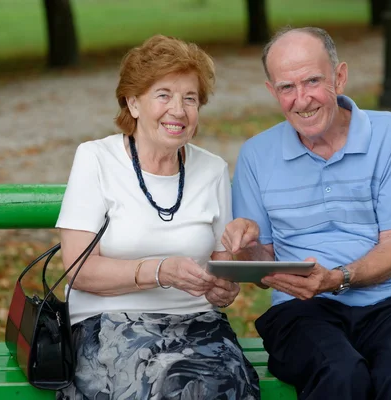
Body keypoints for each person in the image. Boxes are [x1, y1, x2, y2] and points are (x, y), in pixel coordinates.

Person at [222, 27, 391, 400]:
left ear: (339, 77)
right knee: (340, 373)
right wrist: (247, 247)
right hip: (300, 310)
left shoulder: (389, 133)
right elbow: (264, 269)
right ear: (272, 91)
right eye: (286, 87)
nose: (301, 99)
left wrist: (337, 278)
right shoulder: (257, 154)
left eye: (312, 81)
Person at [55, 35, 260, 400]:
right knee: (169, 384)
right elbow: (78, 270)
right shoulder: (96, 159)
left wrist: (224, 286)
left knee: (230, 384)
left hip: (198, 324)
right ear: (133, 102)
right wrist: (160, 271)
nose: (178, 110)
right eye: (163, 95)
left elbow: (221, 266)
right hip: (108, 321)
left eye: (190, 98)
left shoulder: (212, 170)